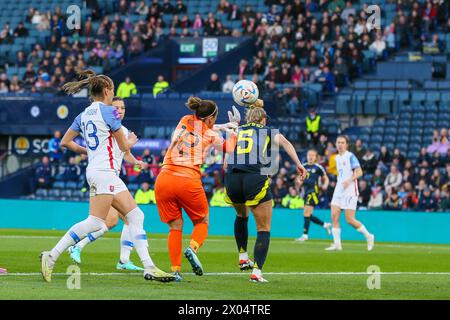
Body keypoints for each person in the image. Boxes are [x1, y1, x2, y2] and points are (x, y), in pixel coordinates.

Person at [40, 70, 174, 283]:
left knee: (136, 216)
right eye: (112, 90)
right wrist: (131, 140)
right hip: (105, 172)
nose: (114, 95)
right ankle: (52, 255)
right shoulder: (109, 112)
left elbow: (65, 142)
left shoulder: (83, 115)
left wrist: (88, 151)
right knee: (95, 222)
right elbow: (123, 146)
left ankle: (149, 267)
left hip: (101, 171)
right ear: (106, 91)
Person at [154, 96, 239, 282]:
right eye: (215, 119)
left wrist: (223, 125)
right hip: (187, 179)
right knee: (202, 221)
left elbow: (202, 127)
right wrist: (235, 129)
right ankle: (192, 248)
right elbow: (229, 148)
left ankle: (176, 271)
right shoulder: (211, 135)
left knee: (175, 227)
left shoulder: (185, 119)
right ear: (209, 119)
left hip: (164, 178)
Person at [224, 99, 307, 282]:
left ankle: (243, 256)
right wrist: (299, 165)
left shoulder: (237, 131)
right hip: (254, 176)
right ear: (263, 120)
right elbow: (285, 143)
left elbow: (225, 162)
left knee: (241, 216)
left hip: (232, 177)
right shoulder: (268, 130)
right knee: (263, 228)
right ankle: (257, 272)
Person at [67, 97, 149, 271]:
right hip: (105, 178)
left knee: (125, 219)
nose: (120, 110)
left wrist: (136, 162)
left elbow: (125, 153)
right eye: (116, 107)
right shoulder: (106, 125)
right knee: (111, 220)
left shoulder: (123, 130)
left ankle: (123, 260)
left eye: (123, 108)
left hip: (113, 179)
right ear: (109, 109)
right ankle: (77, 246)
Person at [326, 135, 375, 251]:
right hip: (339, 189)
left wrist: (349, 180)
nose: (340, 144)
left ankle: (369, 236)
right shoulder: (336, 158)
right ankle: (337, 244)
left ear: (347, 144)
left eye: (342, 142)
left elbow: (360, 172)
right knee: (334, 216)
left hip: (350, 190)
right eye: (338, 142)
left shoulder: (350, 156)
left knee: (349, 220)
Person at [295, 149, 331, 242]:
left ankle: (305, 235)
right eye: (309, 155)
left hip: (314, 192)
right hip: (306, 192)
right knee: (308, 214)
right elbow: (299, 178)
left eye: (312, 155)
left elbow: (326, 178)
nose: (310, 157)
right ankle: (325, 225)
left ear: (315, 157)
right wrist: (298, 181)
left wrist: (325, 185)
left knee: (306, 213)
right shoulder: (303, 166)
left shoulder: (318, 167)